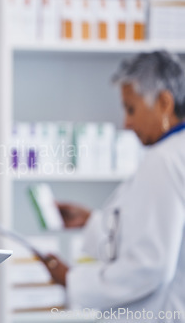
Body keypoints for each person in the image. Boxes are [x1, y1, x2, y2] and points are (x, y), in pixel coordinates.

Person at [40, 51, 185, 322]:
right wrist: (92, 221)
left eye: (131, 108)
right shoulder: (175, 154)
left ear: (164, 102)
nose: (126, 123)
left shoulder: (163, 160)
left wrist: (72, 279)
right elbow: (154, 237)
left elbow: (151, 265)